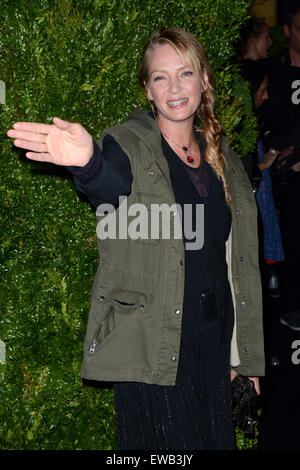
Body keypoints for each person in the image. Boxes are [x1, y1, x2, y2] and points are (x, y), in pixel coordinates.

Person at [7, 27, 264, 450]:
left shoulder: (225, 159)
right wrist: (88, 163)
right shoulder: (127, 144)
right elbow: (109, 186)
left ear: (204, 80)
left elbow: (236, 265)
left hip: (213, 347)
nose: (175, 88)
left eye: (185, 73)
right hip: (155, 348)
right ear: (147, 89)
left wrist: (245, 360)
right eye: (160, 77)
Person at [263, 6, 300, 331]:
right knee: (289, 241)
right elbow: (266, 121)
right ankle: (290, 309)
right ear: (287, 31)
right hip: (286, 177)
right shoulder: (274, 71)